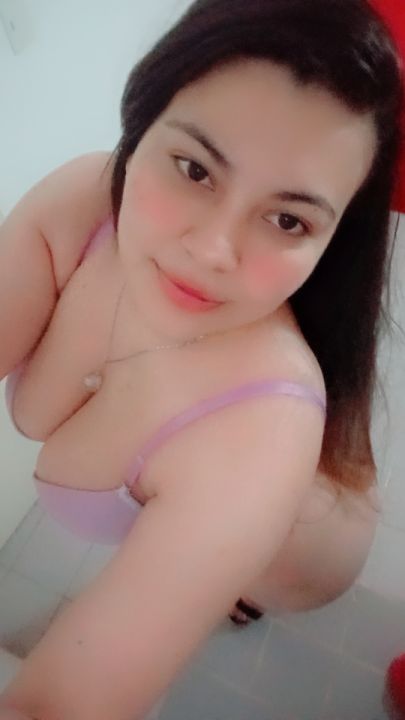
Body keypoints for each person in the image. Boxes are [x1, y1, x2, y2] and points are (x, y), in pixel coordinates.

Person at [0, 0, 403, 718]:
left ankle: (239, 591)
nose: (214, 250)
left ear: (333, 236)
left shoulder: (259, 433)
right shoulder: (82, 204)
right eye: (193, 169)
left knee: (246, 585)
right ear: (140, 122)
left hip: (304, 560)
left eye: (288, 219)